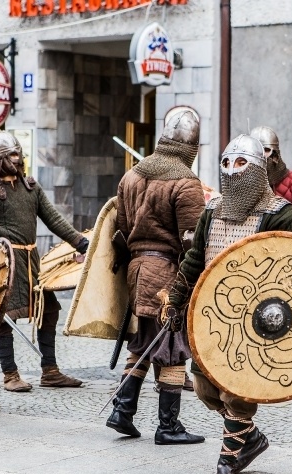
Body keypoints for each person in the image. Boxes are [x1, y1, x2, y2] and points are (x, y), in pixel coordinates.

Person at [165, 134, 292, 474]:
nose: (232, 170)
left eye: (241, 163)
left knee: (237, 393)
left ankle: (227, 463)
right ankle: (251, 439)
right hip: (212, 316)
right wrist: (176, 299)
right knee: (205, 388)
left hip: (257, 325)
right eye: (227, 163)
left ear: (259, 169)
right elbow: (196, 258)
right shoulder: (213, 209)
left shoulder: (282, 215)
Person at [105, 110, 206, 445]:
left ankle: (122, 411)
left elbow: (119, 230)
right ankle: (168, 427)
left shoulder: (131, 176)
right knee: (173, 347)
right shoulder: (185, 181)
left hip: (136, 272)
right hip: (166, 276)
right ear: (192, 144)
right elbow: (192, 241)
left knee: (143, 343)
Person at [0, 131, 88, 392]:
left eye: (19, 154)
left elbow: (54, 219)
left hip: (31, 261)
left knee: (48, 310)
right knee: (5, 316)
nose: (19, 159)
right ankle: (10, 374)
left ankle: (50, 371)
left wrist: (82, 243)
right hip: (5, 263)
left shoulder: (30, 187)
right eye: (13, 155)